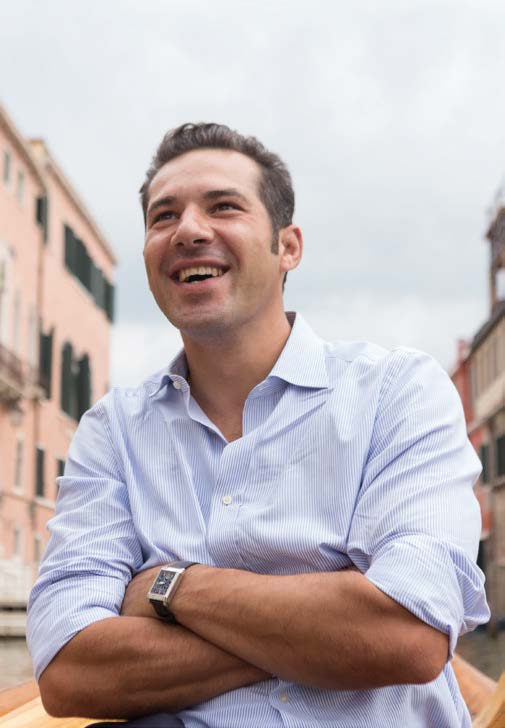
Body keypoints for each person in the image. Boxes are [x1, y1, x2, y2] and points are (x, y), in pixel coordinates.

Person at [27, 123, 490, 728]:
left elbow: (407, 635)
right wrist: (324, 624)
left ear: (287, 247)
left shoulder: (399, 391)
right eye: (164, 216)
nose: (188, 230)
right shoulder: (110, 432)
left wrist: (171, 588)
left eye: (223, 206)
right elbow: (68, 671)